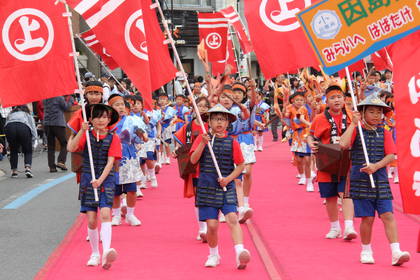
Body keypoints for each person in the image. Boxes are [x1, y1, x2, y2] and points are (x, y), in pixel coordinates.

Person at [339, 95, 410, 266]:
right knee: (367, 218)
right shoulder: (356, 130)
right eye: (371, 111)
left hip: (380, 179)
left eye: (379, 112)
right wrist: (353, 124)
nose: (376, 115)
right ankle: (366, 250)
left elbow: (391, 155)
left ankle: (395, 251)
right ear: (362, 113)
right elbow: (342, 144)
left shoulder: (384, 133)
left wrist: (376, 166)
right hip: (360, 180)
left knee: (388, 215)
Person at [190, 104, 251, 269]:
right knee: (212, 225)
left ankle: (240, 252)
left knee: (232, 218)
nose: (219, 122)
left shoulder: (232, 143)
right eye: (216, 119)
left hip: (226, 186)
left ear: (227, 123)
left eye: (223, 119)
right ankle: (214, 254)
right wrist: (203, 143)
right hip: (206, 186)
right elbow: (193, 160)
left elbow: (240, 165)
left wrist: (228, 178)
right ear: (208, 121)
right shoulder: (202, 139)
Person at [67, 103, 121, 269]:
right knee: (91, 220)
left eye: (104, 117)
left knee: (105, 214)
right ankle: (95, 253)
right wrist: (82, 131)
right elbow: (71, 147)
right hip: (88, 179)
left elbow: (111, 162)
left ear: (109, 119)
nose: (101, 120)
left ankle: (106, 252)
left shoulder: (114, 138)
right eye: (97, 117)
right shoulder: (86, 135)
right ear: (90, 119)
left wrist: (100, 180)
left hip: (107, 179)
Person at [307, 85, 357, 240]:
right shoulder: (319, 118)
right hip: (326, 159)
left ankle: (349, 226)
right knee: (330, 196)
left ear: (344, 99)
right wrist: (310, 143)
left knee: (347, 193)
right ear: (326, 101)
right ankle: (335, 227)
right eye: (332, 98)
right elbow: (310, 135)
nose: (337, 100)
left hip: (347, 158)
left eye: (339, 97)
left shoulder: (351, 116)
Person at [173, 96, 210, 242]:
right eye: (199, 106)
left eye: (205, 106)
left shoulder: (212, 125)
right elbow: (180, 144)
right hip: (194, 167)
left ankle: (210, 224)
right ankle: (202, 228)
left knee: (210, 196)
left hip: (210, 165)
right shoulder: (188, 127)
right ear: (194, 109)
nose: (202, 108)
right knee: (198, 197)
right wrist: (176, 151)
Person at [108, 94, 146, 227]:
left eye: (122, 105)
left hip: (129, 157)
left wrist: (139, 135)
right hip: (114, 158)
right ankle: (116, 215)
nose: (120, 108)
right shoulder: (108, 122)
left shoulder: (131, 121)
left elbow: (137, 139)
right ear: (111, 108)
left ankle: (130, 214)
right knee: (115, 189)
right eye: (117, 105)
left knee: (131, 189)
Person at [43, 95, 74, 172]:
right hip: (58, 123)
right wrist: (71, 100)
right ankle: (61, 161)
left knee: (51, 145)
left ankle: (52, 167)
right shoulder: (59, 97)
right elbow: (66, 107)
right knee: (64, 143)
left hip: (47, 123)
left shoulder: (45, 98)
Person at [4, 105, 37, 178]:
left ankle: (14, 171)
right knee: (28, 149)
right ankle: (28, 168)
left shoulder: (10, 114)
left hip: (10, 127)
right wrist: (34, 140)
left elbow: (6, 125)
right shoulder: (27, 114)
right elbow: (33, 127)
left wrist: (7, 143)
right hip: (23, 127)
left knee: (13, 150)